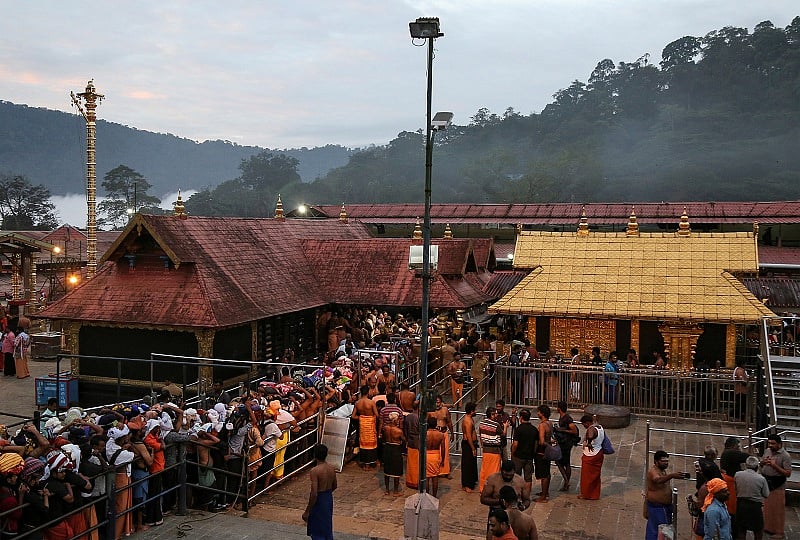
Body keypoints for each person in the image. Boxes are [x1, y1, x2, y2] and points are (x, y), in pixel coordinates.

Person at [645, 450, 690, 540]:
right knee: (662, 531)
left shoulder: (662, 471)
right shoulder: (653, 471)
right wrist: (671, 475)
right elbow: (657, 480)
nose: (666, 463)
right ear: (656, 462)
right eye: (663, 461)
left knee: (657, 529)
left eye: (667, 461)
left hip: (664, 507)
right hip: (658, 508)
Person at [481, 461, 528, 540]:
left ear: (514, 472)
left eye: (511, 475)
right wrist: (499, 501)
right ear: (501, 470)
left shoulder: (520, 481)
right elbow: (483, 499)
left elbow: (527, 500)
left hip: (514, 513)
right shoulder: (492, 479)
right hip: (496, 513)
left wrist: (522, 507)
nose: (508, 477)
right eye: (506, 475)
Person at [302, 444, 337, 540]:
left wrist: (307, 511)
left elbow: (314, 492)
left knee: (317, 530)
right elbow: (335, 486)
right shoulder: (331, 468)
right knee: (327, 526)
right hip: (328, 498)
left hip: (319, 500)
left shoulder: (315, 471)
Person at [760, 434, 791, 539]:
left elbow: (788, 473)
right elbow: (761, 463)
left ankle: (779, 532)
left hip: (778, 485)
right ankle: (768, 527)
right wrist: (763, 462)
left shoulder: (785, 456)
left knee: (778, 509)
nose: (770, 445)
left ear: (779, 444)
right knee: (767, 507)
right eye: (769, 443)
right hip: (766, 482)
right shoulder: (767, 451)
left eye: (773, 443)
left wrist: (774, 466)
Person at [734, 456, 769, 540]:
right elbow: (766, 494)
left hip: (741, 504)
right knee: (758, 530)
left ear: (746, 465)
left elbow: (736, 489)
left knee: (742, 529)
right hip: (755, 506)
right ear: (757, 467)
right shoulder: (761, 479)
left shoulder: (737, 474)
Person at [552, 401, 578, 491]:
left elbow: (574, 430)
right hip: (563, 442)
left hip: (566, 443)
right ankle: (566, 481)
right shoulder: (562, 417)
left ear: (559, 408)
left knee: (563, 462)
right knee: (563, 462)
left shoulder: (567, 418)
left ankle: (566, 481)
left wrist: (562, 430)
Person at [352, 385, 380, 469]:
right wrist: (369, 417)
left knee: (363, 444)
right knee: (371, 444)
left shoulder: (358, 403)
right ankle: (370, 463)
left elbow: (353, 416)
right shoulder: (371, 402)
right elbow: (377, 415)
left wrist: (361, 417)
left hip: (363, 425)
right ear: (368, 392)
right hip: (370, 425)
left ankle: (365, 464)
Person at [511, 409, 536, 500]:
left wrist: (512, 453)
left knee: (516, 476)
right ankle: (526, 496)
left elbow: (515, 444)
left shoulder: (519, 429)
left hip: (518, 456)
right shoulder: (534, 430)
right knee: (528, 478)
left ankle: (517, 494)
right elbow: (536, 444)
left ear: (521, 418)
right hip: (529, 457)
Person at [479, 407, 505, 493]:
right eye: (495, 413)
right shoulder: (496, 425)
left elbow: (480, 436)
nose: (497, 415)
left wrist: (483, 445)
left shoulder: (481, 423)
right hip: (494, 451)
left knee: (485, 470)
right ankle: (493, 490)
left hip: (486, 450)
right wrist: (506, 427)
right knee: (495, 471)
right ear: (492, 415)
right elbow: (503, 434)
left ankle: (483, 488)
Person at [578, 414, 604, 500]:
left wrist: (588, 443)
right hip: (599, 452)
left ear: (587, 423)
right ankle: (594, 494)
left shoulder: (591, 429)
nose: (584, 426)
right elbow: (595, 421)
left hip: (590, 456)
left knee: (586, 477)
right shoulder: (599, 427)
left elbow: (590, 435)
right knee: (595, 477)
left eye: (584, 424)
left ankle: (586, 494)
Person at [428, 396, 453, 478]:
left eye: (438, 402)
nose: (437, 404)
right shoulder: (430, 411)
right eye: (435, 402)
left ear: (441, 402)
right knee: (436, 453)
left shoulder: (445, 410)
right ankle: (435, 470)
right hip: (434, 434)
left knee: (445, 453)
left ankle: (446, 471)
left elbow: (449, 422)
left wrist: (452, 433)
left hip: (443, 432)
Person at [382, 412, 405, 496]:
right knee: (396, 470)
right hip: (396, 449)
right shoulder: (399, 431)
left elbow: (384, 437)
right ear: (395, 420)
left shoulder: (385, 428)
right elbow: (403, 439)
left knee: (387, 469)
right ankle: (395, 491)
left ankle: (387, 490)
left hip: (387, 448)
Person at [533, 405, 552, 502]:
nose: (537, 413)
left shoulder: (542, 425)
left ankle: (543, 496)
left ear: (542, 413)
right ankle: (545, 492)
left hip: (541, 452)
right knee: (546, 473)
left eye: (539, 412)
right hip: (547, 452)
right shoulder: (550, 423)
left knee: (543, 474)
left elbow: (541, 441)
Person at [424, 416, 446, 497]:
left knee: (426, 477)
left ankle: (426, 496)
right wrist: (443, 460)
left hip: (426, 455)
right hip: (436, 456)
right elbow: (443, 449)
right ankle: (434, 496)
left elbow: (421, 446)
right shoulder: (440, 434)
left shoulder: (425, 434)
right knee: (435, 477)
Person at [461, 401, 479, 493]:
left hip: (471, 443)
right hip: (468, 445)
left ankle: (470, 482)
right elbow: (468, 436)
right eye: (475, 410)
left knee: (471, 464)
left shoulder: (470, 419)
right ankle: (467, 484)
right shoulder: (467, 421)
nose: (476, 412)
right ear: (472, 411)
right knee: (467, 465)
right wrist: (472, 448)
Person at [404, 401, 421, 489]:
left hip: (410, 441)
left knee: (411, 462)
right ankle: (416, 481)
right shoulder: (418, 418)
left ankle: (411, 480)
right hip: (417, 441)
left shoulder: (408, 417)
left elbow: (405, 430)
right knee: (417, 463)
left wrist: (407, 439)